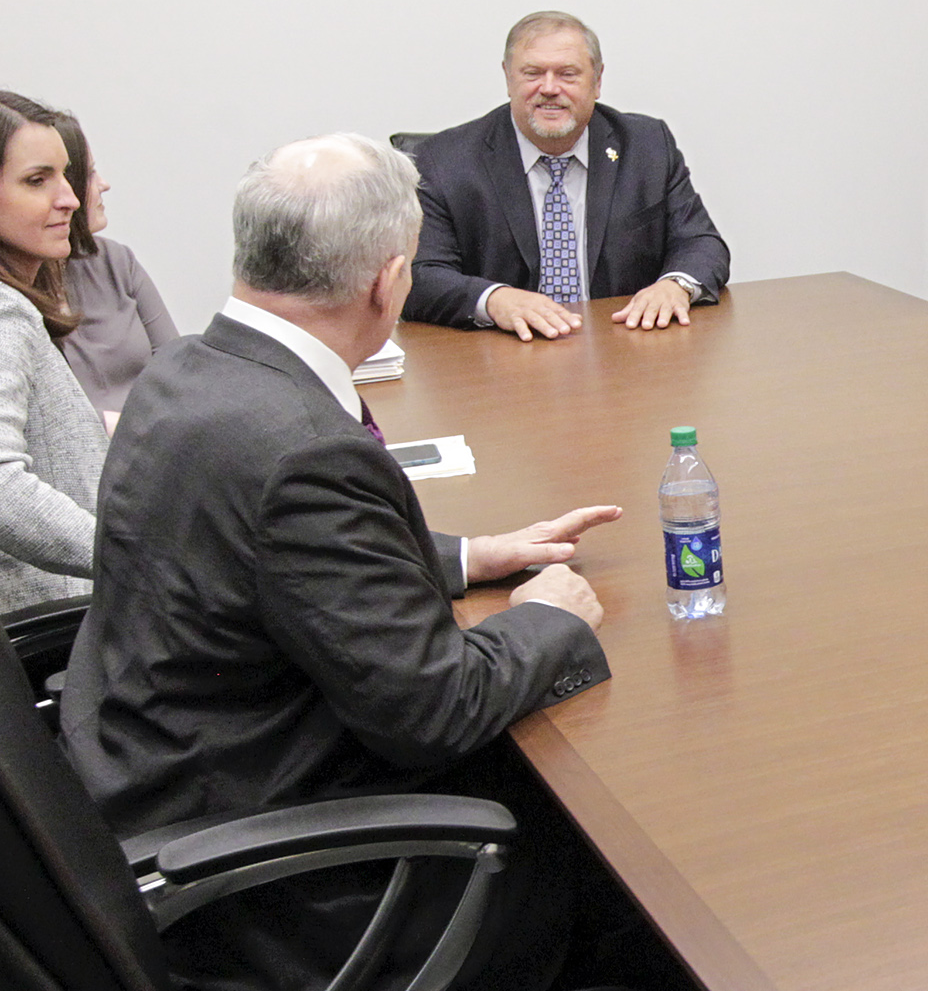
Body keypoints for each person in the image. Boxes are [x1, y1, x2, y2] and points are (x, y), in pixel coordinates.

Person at [60, 132, 619, 989]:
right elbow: (435, 707)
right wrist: (549, 616)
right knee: (616, 871)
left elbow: (263, 558)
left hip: (146, 781)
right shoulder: (302, 451)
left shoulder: (186, 371)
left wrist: (469, 555)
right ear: (387, 279)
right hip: (282, 882)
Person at [406, 10, 730, 340]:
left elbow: (701, 242)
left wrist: (675, 286)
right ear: (507, 78)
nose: (549, 88)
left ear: (598, 80)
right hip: (503, 355)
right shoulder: (444, 159)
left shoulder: (647, 146)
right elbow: (419, 276)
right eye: (532, 73)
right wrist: (494, 300)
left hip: (622, 348)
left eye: (567, 74)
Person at [0, 92, 105, 614]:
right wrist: (133, 553)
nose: (69, 199)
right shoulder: (3, 312)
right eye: (37, 181)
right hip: (46, 627)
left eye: (66, 176)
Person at [53, 111, 178, 415]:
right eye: (90, 174)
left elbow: (179, 370)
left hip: (154, 445)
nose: (104, 185)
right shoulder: (14, 302)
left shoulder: (115, 260)